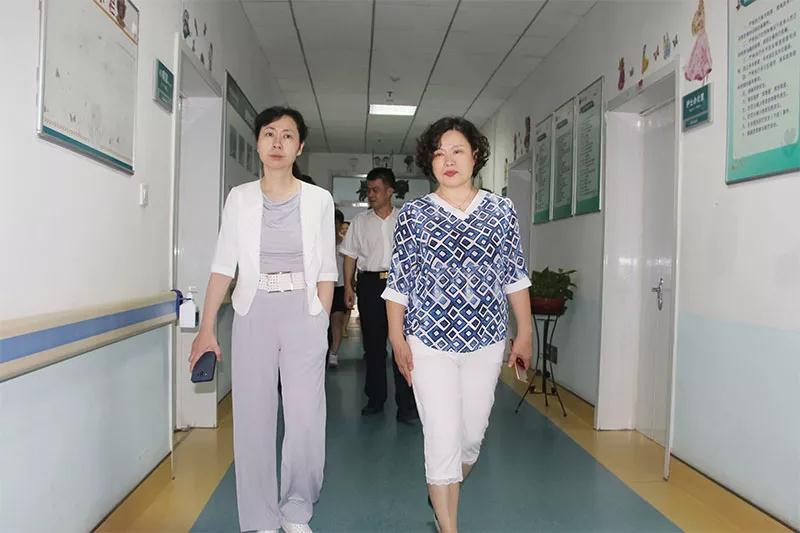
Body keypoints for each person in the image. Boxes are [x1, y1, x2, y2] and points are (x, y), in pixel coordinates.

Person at [189, 106, 336, 533]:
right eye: (269, 133)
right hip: (254, 310)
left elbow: (327, 270)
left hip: (304, 312)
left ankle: (296, 510)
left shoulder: (319, 200)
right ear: (257, 142)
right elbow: (223, 266)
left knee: (305, 419)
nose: (277, 143)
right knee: (253, 417)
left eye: (287, 135)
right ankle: (260, 519)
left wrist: (320, 319)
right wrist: (206, 329)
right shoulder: (240, 198)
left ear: (300, 147)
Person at [382, 117, 533, 532]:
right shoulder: (414, 215)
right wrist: (397, 337)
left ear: (475, 156)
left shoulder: (501, 211)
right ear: (428, 162)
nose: (448, 161)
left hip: (486, 340)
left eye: (457, 151)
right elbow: (399, 283)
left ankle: (442, 491)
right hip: (428, 340)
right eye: (438, 153)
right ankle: (448, 522)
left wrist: (524, 331)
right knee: (441, 437)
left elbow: (515, 276)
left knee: (470, 439)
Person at [340, 168, 417, 423]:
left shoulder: (405, 219)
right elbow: (350, 255)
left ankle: (407, 405)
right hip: (370, 285)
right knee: (373, 347)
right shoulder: (360, 222)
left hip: (400, 285)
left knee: (402, 345)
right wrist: (348, 286)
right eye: (368, 190)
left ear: (390, 191)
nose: (370, 195)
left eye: (375, 190)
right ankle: (375, 399)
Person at [327, 209, 348, 368]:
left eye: (336, 222)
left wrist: (350, 285)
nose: (333, 225)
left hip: (340, 287)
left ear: (340, 224)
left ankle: (334, 353)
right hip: (323, 288)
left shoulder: (345, 244)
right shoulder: (321, 243)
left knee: (337, 321)